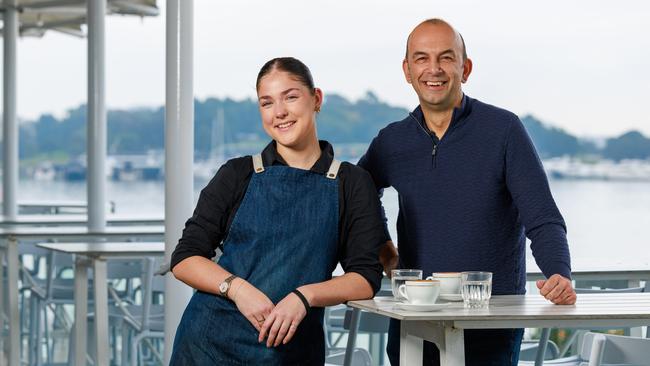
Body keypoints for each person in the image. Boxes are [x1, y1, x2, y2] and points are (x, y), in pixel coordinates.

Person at [357, 19, 577, 366]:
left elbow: (543, 217)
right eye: (421, 58)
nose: (434, 69)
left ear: (465, 68)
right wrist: (385, 252)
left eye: (446, 58)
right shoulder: (392, 141)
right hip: (414, 316)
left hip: (491, 320)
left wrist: (559, 272)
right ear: (407, 70)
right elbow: (356, 200)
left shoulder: (504, 130)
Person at [169, 57, 384, 365]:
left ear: (316, 99)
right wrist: (238, 289)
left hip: (290, 351)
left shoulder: (351, 183)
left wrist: (304, 296)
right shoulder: (237, 174)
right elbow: (186, 258)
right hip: (208, 344)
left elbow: (364, 278)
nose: (279, 112)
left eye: (291, 97)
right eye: (267, 103)